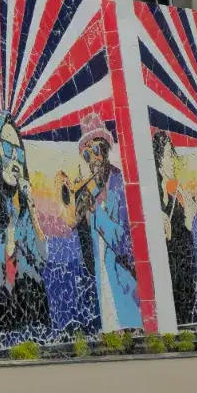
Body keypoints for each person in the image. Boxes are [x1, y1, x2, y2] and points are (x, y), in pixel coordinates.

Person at [64, 118, 139, 332]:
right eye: (87, 154)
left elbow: (124, 241)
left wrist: (94, 213)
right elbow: (86, 251)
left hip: (125, 289)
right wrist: (76, 212)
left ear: (105, 150)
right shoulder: (90, 191)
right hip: (102, 288)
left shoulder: (119, 184)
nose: (93, 158)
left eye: (96, 149)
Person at [0, 114, 48, 338]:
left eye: (19, 153)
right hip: (8, 316)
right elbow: (1, 259)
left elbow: (43, 257)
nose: (15, 162)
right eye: (7, 150)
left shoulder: (23, 212)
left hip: (35, 312)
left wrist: (31, 207)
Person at [154, 128, 197, 330]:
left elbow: (185, 235)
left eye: (172, 152)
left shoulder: (177, 194)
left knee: (185, 305)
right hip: (166, 267)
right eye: (166, 153)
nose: (171, 158)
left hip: (182, 263)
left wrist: (189, 217)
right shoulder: (154, 195)